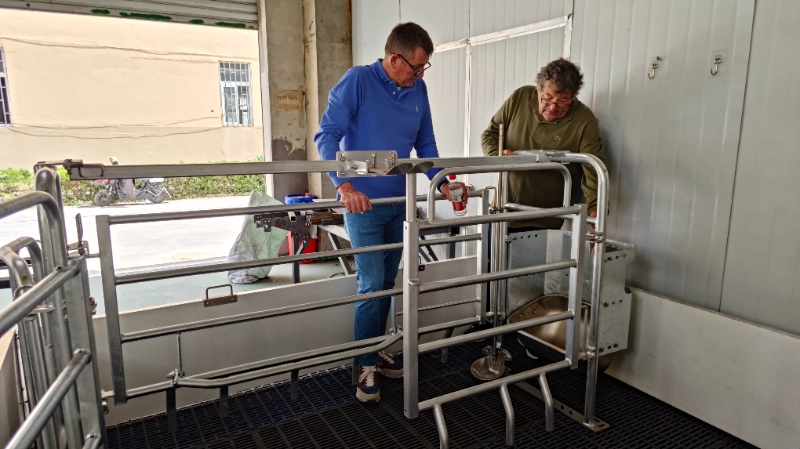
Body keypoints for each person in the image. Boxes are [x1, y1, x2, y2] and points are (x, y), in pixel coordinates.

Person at [314, 22, 450, 403]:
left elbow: (426, 144)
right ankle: (364, 366)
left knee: (388, 283)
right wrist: (344, 186)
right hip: (364, 205)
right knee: (371, 285)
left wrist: (443, 182)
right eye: (417, 68)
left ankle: (376, 350)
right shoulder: (358, 81)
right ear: (394, 59)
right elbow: (326, 135)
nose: (420, 76)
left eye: (424, 68)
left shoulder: (417, 89)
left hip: (399, 204)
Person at [481, 58, 606, 230]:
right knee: (490, 248)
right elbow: (490, 134)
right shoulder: (520, 97)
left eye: (562, 101)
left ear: (573, 96)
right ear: (538, 89)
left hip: (544, 220)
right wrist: (498, 156)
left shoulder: (585, 121)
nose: (553, 107)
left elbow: (593, 170)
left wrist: (595, 212)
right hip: (502, 211)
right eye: (547, 98)